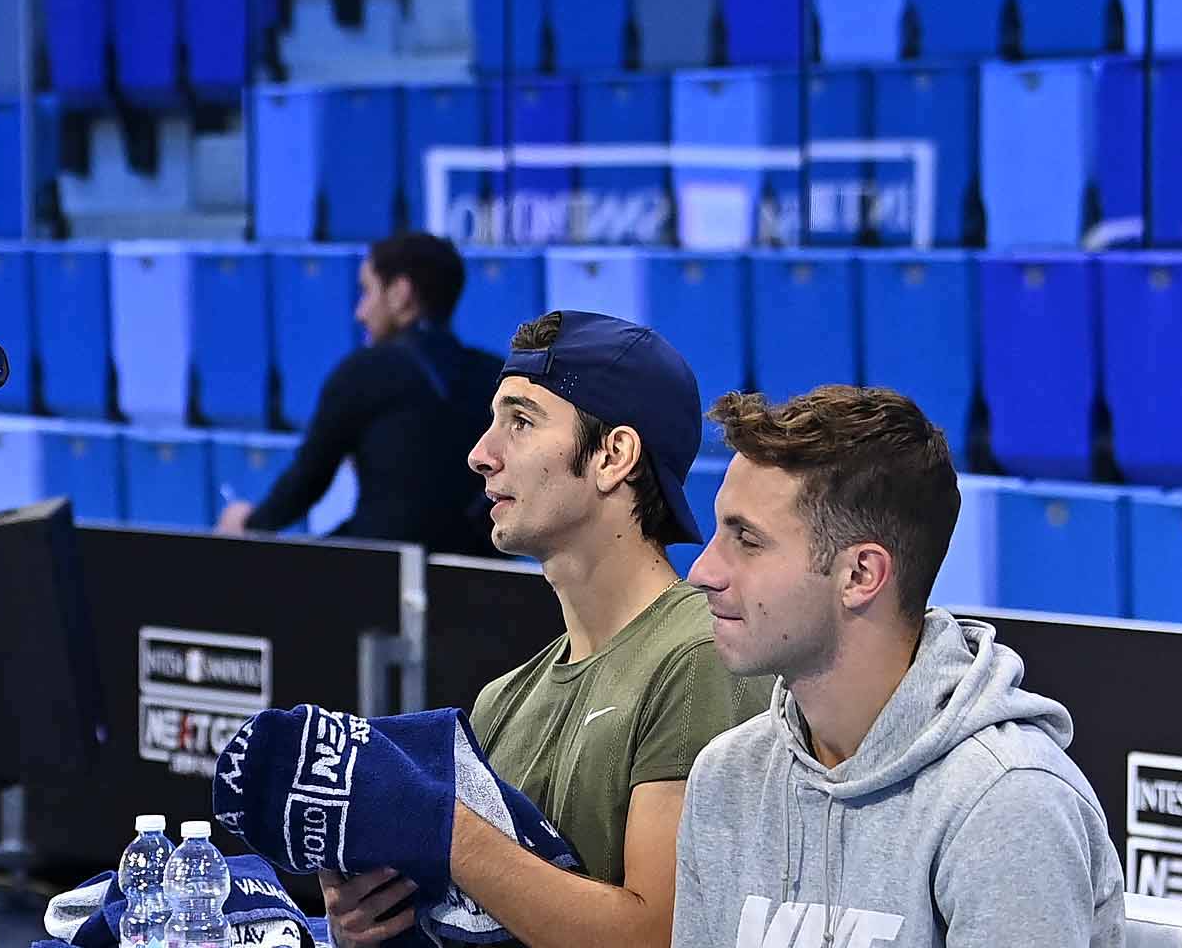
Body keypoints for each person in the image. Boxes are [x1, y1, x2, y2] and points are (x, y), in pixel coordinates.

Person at [321, 310, 773, 948]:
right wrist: (381, 921)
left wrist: (451, 836)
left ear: (613, 456)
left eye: (522, 422)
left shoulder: (698, 657)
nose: (481, 455)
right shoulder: (503, 700)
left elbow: (658, 935)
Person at [673, 386, 1126, 948]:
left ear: (861, 575)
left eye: (747, 541)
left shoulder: (1007, 803)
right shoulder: (727, 776)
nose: (702, 571)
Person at [214, 233, 502, 556]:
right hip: (479, 573)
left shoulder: (363, 371)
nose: (359, 312)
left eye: (366, 291)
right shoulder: (497, 376)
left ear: (400, 294)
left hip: (383, 574)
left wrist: (249, 523)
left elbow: (308, 481)